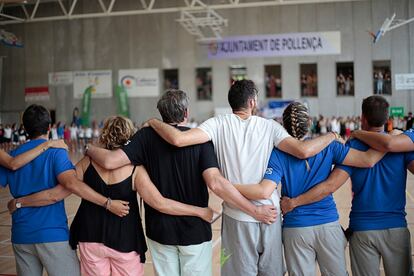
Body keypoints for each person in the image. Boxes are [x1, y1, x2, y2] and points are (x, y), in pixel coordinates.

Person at [144, 80, 345, 276]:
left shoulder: (217, 124)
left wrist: (153, 121)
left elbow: (178, 139)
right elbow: (303, 151)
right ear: (252, 102)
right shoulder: (270, 127)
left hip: (236, 215)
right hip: (270, 215)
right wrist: (332, 136)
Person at [85, 89, 276, 276]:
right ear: (186, 113)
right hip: (195, 230)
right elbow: (216, 183)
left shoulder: (145, 137)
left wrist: (89, 148)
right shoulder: (201, 139)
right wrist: (255, 211)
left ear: (161, 113)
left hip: (159, 231)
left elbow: (110, 161)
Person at [8, 115, 215, 276]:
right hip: (124, 240)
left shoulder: (87, 162)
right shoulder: (135, 169)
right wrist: (199, 211)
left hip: (90, 237)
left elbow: (58, 193)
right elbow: (160, 203)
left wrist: (21, 202)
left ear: (105, 134)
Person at [231, 102, 383, 276]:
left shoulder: (278, 153)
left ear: (283, 125)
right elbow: (367, 160)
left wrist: (227, 186)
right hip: (328, 224)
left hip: (296, 230)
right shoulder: (330, 146)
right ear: (309, 122)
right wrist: (392, 138)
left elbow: (264, 189)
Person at [281, 96, 414, 276]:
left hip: (362, 229)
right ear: (387, 118)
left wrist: (294, 202)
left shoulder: (355, 144)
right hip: (396, 227)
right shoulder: (401, 144)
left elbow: (330, 185)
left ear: (363, 118)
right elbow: (373, 158)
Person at [0, 104, 130, 276]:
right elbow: (71, 184)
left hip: (21, 235)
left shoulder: (12, 156)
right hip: (52, 234)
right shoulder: (56, 152)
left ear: (24, 128)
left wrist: (18, 202)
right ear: (49, 127)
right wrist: (108, 203)